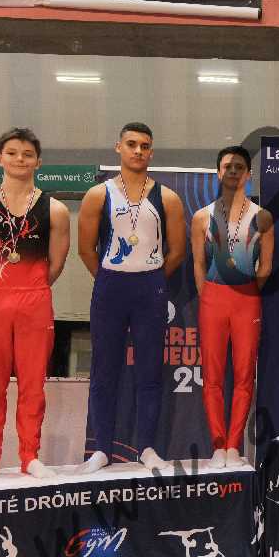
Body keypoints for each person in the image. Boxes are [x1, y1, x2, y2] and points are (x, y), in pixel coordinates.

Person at [0, 128, 69, 483]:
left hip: (34, 298)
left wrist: (30, 287)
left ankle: (29, 456)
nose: (20, 159)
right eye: (12, 153)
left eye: (27, 154)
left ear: (38, 161)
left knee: (33, 384)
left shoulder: (55, 210)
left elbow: (56, 263)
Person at [77, 122, 187, 472]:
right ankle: (101, 449)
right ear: (119, 148)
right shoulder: (99, 195)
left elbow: (177, 251)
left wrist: (151, 279)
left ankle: (147, 448)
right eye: (132, 144)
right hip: (110, 286)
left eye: (144, 146)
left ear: (151, 152)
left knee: (149, 371)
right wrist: (110, 278)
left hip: (150, 287)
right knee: (104, 369)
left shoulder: (167, 198)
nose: (138, 151)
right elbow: (86, 249)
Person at [191, 145, 274, 468]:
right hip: (213, 298)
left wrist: (247, 291)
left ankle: (233, 446)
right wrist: (209, 295)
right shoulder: (202, 217)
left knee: (243, 375)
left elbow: (266, 266)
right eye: (227, 166)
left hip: (247, 299)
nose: (233, 171)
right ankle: (217, 445)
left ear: (248, 174)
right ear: (218, 172)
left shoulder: (262, 217)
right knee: (212, 376)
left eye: (240, 166)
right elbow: (199, 264)